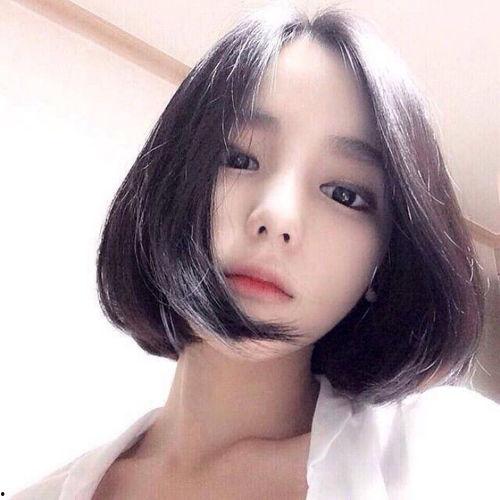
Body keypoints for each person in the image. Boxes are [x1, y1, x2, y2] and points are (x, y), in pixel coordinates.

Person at [13, 2, 500, 499]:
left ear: (384, 263)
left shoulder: (452, 457)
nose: (277, 216)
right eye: (239, 159)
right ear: (169, 185)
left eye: (344, 194)